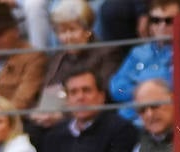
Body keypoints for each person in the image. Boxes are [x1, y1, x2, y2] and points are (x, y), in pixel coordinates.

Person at [34, 0, 120, 130]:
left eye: (72, 30)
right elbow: (47, 90)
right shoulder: (58, 57)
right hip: (52, 119)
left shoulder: (107, 53)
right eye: (62, 32)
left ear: (88, 30)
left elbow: (103, 94)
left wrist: (63, 114)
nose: (67, 37)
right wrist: (40, 112)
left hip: (89, 120)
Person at [35, 68, 139, 152]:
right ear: (67, 100)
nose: (80, 97)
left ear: (101, 96)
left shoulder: (121, 130)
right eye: (73, 92)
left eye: (86, 90)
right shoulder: (54, 135)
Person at [109, 0, 180, 122]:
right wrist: (144, 92)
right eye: (156, 20)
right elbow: (116, 88)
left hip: (164, 120)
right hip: (128, 120)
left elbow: (176, 89)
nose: (162, 26)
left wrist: (138, 87)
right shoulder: (138, 52)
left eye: (169, 21)